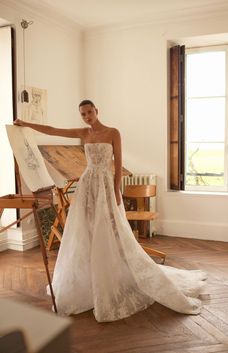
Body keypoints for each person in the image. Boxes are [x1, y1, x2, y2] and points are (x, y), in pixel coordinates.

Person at [14, 100, 207, 322]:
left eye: (89, 112)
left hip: (105, 184)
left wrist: (116, 190)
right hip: (88, 185)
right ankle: (89, 276)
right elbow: (52, 130)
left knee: (110, 226)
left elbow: (117, 165)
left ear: (97, 111)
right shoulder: (83, 133)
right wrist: (25, 124)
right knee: (86, 227)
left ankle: (114, 272)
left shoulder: (113, 132)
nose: (87, 116)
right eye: (83, 114)